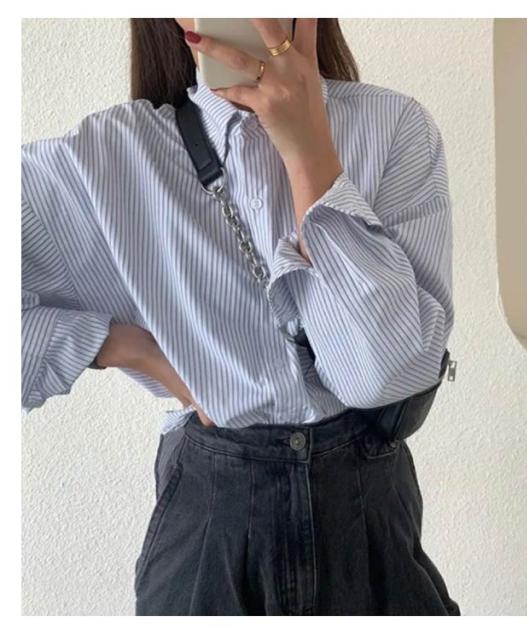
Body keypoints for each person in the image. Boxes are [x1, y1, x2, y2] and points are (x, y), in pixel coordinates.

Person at [21, 17, 459, 616]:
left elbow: (380, 376)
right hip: (211, 533)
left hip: (370, 527)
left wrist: (308, 150)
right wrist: (116, 344)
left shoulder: (393, 127)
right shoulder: (105, 158)